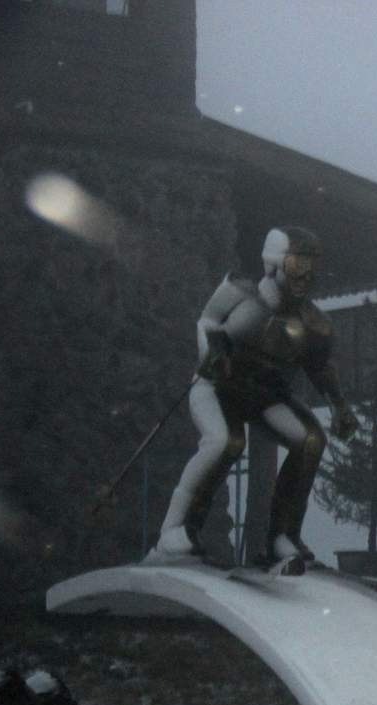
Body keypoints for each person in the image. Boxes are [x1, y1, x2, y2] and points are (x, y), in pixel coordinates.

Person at [151, 225, 358, 568]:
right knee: (224, 442)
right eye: (296, 265)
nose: (304, 276)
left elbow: (319, 368)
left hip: (264, 396)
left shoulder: (314, 323)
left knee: (309, 440)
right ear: (274, 264)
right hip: (218, 386)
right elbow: (207, 321)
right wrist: (212, 353)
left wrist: (340, 405)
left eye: (311, 266)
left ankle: (282, 536)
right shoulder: (238, 291)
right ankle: (174, 530)